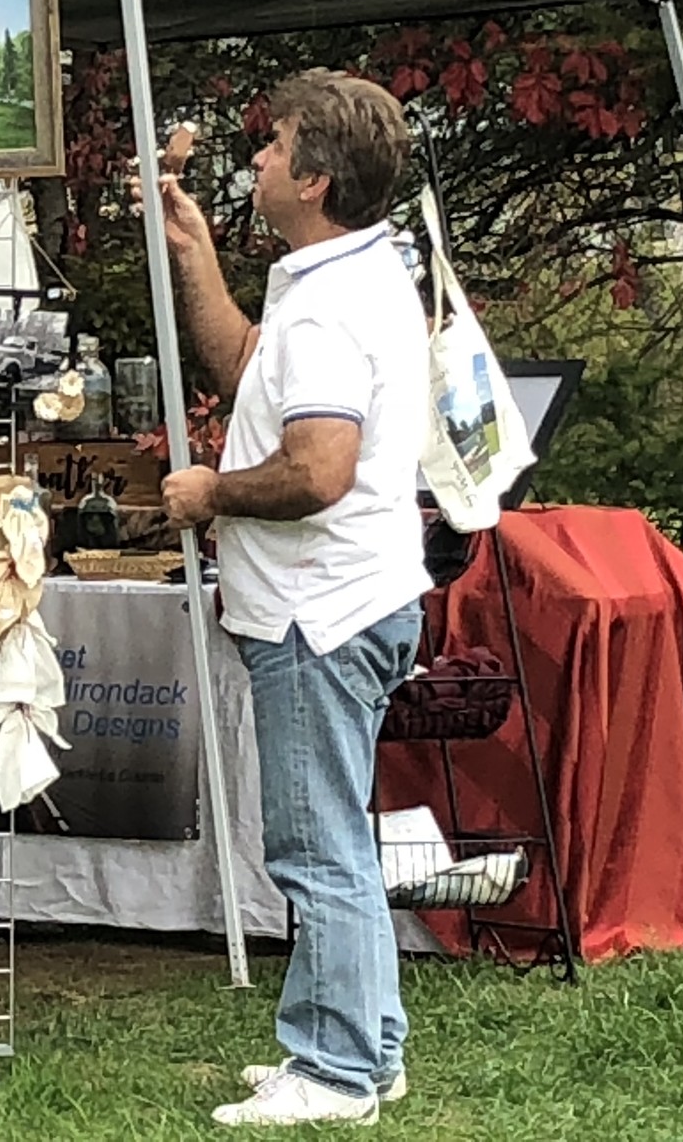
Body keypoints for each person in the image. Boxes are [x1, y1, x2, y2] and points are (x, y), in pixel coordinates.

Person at [136, 70, 430, 1129]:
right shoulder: (339, 274)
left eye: (271, 147)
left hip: (320, 611)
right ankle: (369, 1045)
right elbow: (252, 367)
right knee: (332, 832)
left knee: (314, 845)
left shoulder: (331, 301)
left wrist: (209, 491)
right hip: (352, 597)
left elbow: (316, 471)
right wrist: (195, 261)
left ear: (310, 179)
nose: (253, 158)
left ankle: (336, 1071)